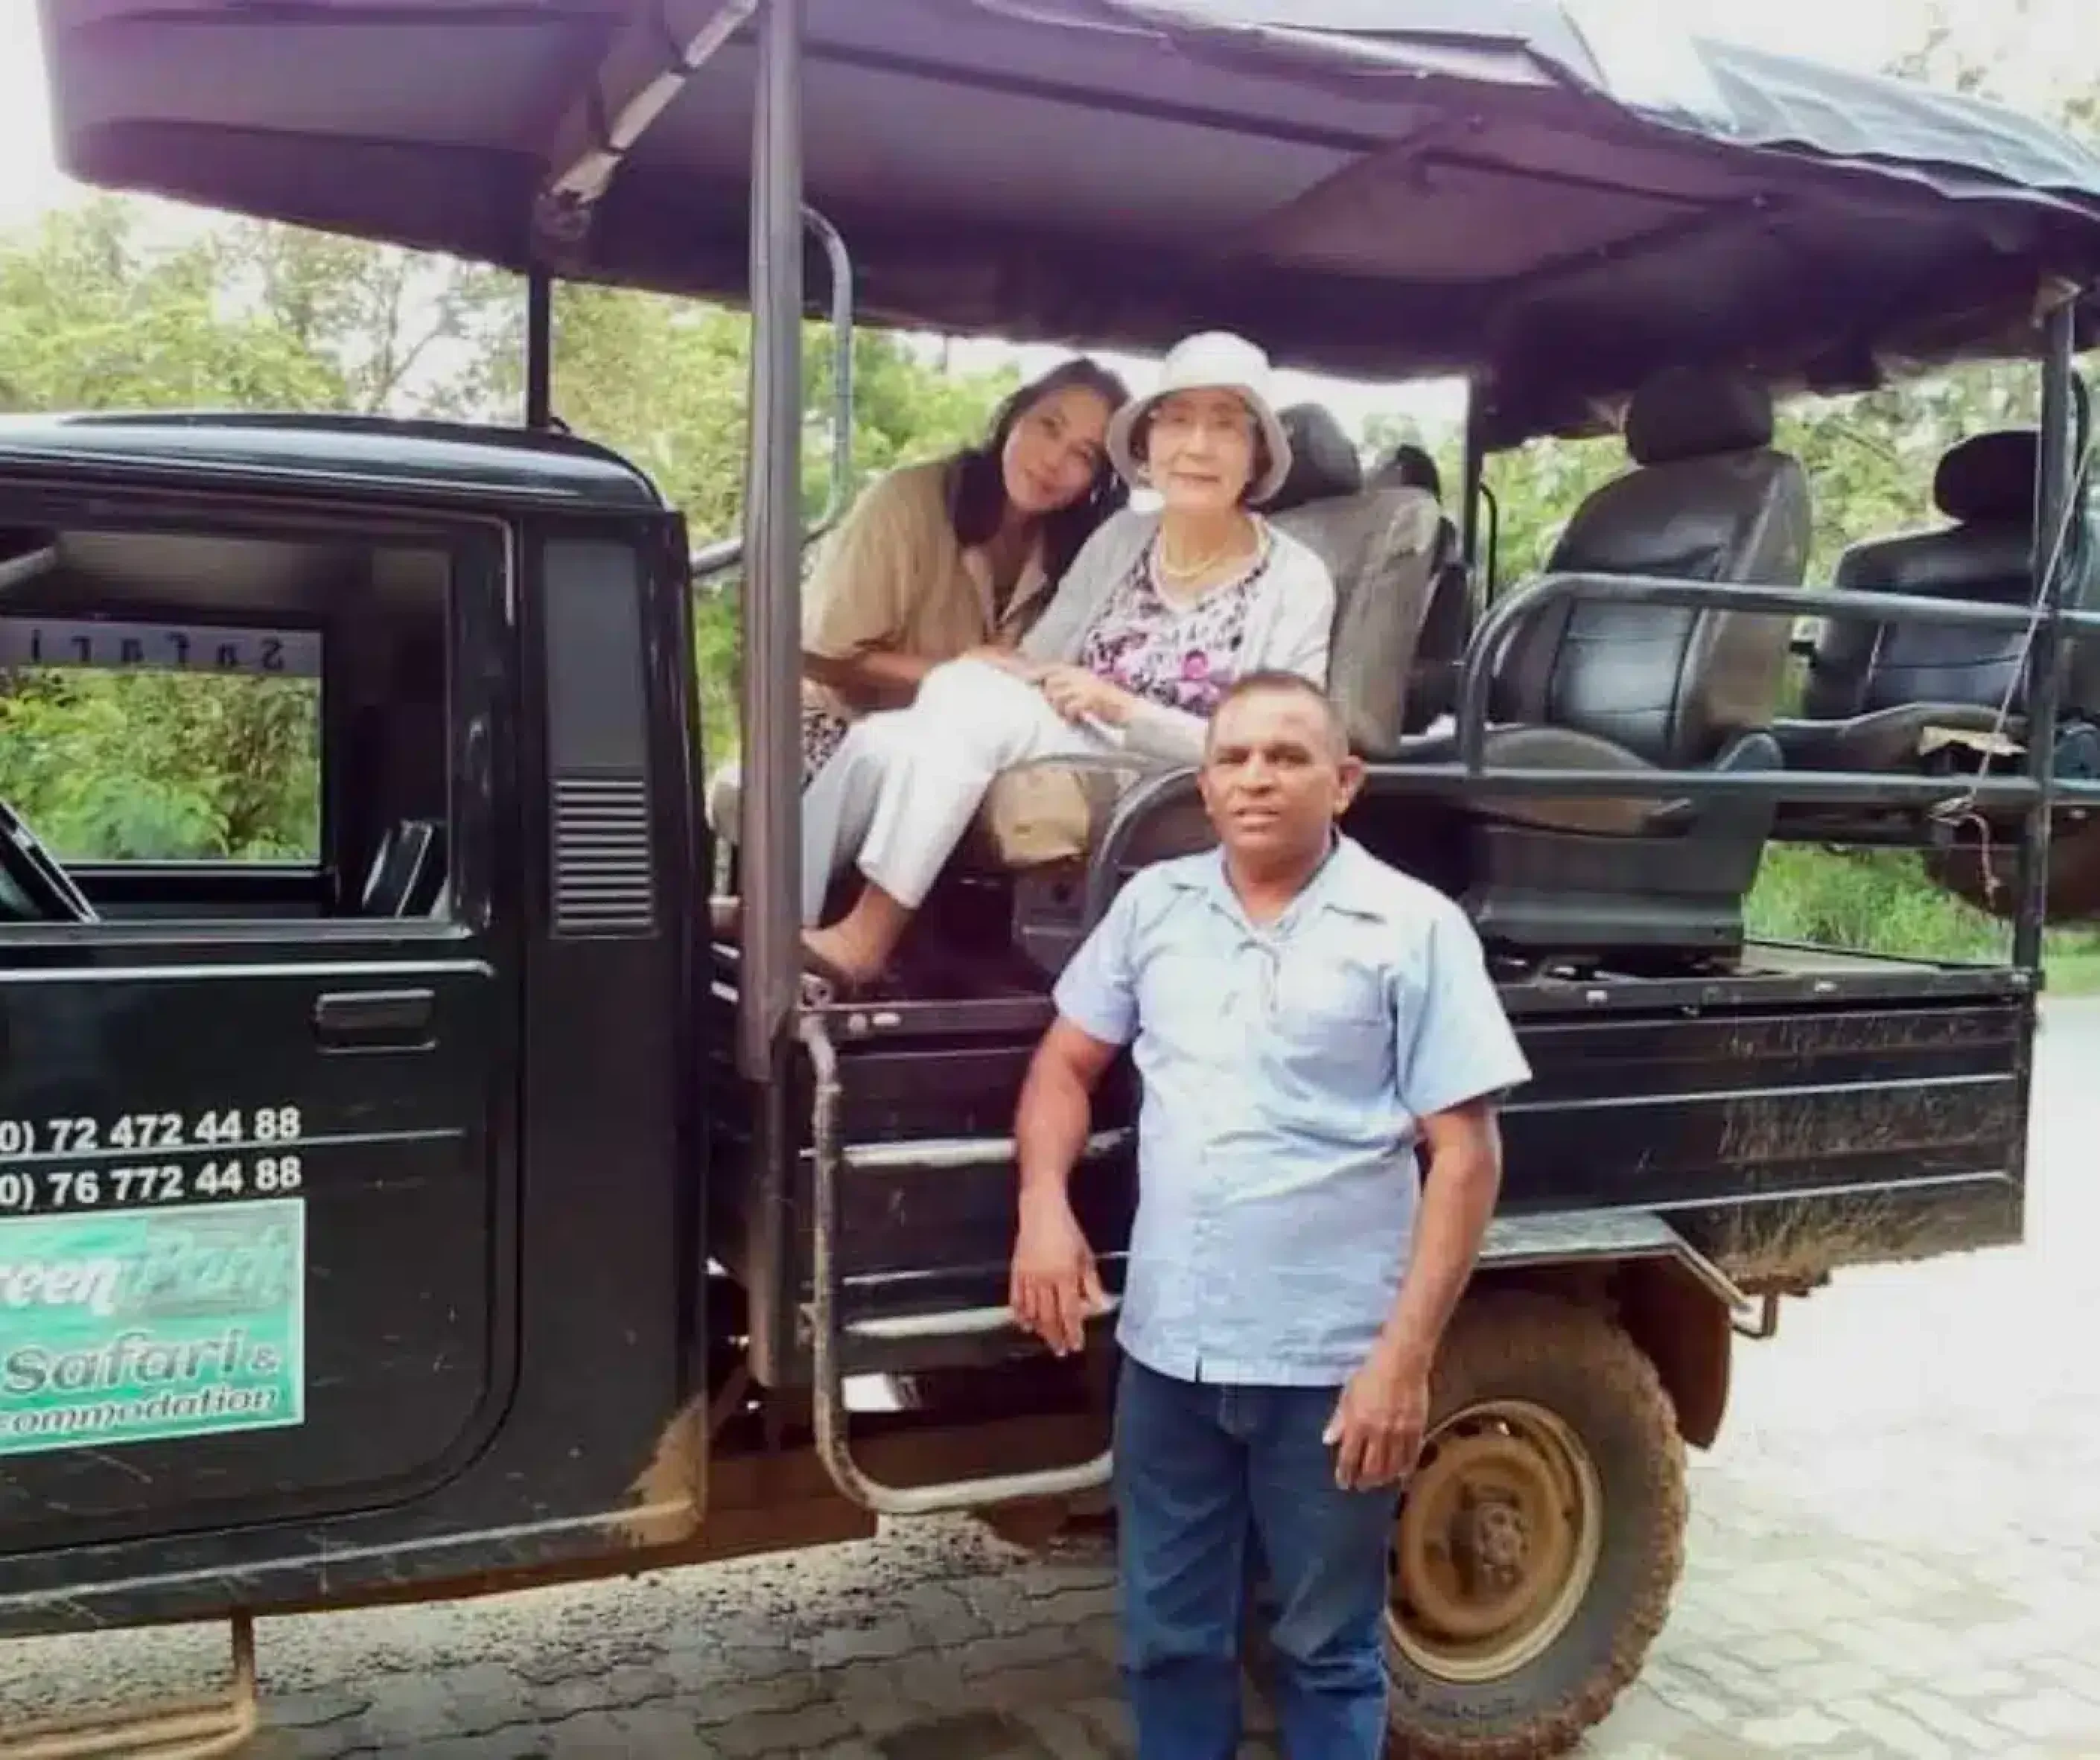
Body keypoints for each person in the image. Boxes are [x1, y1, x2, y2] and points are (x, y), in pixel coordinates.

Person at [1008, 670, 1531, 1760]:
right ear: (1202, 785)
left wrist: (1402, 1362)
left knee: (1326, 1648)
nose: (1257, 779)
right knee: (1167, 1642)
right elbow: (1064, 1064)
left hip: (1331, 1371)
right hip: (1170, 1357)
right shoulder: (1155, 907)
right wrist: (1042, 1206)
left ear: (1344, 782)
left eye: (1288, 757)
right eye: (1234, 758)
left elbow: (1466, 1156)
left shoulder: (1412, 927)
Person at [796, 330, 1337, 989]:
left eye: (1225, 425)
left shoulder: (1296, 579)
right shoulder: (1123, 538)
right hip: (1076, 736)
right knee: (893, 733)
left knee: (965, 698)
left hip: (1170, 769)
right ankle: (781, 915)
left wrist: (1123, 708)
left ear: (1256, 455)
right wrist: (986, 670)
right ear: (1148, 446)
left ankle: (866, 939)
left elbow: (1276, 751)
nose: (1197, 446)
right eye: (1177, 421)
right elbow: (1040, 660)